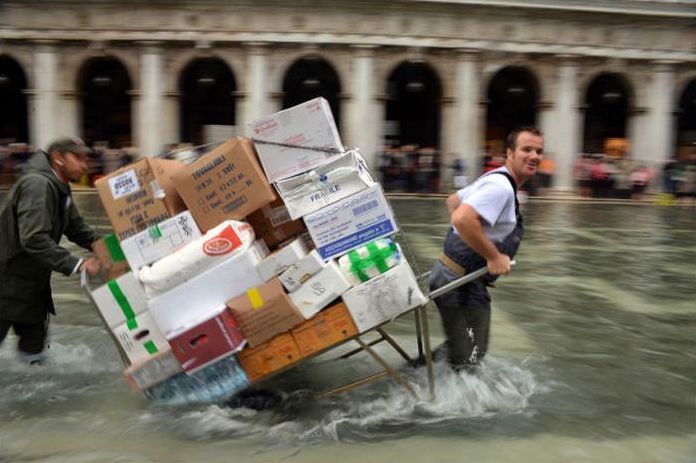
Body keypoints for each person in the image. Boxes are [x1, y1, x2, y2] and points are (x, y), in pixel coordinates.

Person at [429, 126, 543, 373]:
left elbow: (454, 202)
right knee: (469, 356)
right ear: (510, 153)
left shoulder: (498, 179)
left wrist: (466, 246)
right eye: (527, 149)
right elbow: (461, 218)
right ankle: (422, 382)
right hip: (457, 282)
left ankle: (423, 376)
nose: (534, 155)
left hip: (459, 279)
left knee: (469, 350)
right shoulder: (501, 187)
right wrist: (492, 255)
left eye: (539, 151)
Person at [0, 136, 101, 364]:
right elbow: (34, 238)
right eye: (78, 158)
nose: (85, 165)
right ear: (58, 159)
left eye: (86, 159)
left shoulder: (59, 185)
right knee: (33, 359)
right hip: (7, 283)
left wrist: (103, 245)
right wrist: (78, 264)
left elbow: (76, 228)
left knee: (34, 360)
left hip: (31, 287)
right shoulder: (38, 185)